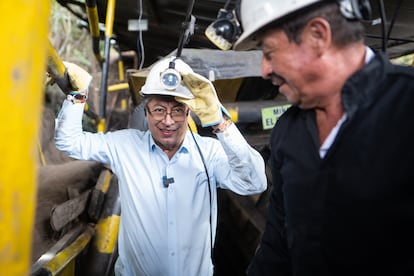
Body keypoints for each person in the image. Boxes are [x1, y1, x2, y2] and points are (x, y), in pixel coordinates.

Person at [233, 0, 414, 275]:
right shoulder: (287, 132)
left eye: (268, 52)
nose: (264, 70)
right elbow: (278, 242)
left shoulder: (406, 106)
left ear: (318, 35)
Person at [54, 57, 267, 276]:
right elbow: (69, 142)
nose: (167, 121)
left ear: (188, 113)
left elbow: (253, 183)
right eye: (158, 110)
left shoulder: (208, 152)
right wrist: (77, 96)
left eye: (176, 110)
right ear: (146, 114)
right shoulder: (125, 145)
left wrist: (221, 123)